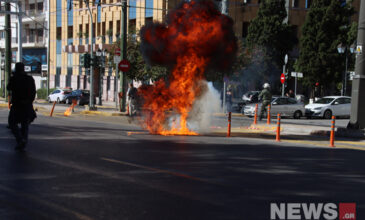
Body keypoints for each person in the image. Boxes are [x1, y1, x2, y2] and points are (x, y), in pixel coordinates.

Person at [7, 62, 36, 151]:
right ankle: (23, 141)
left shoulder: (14, 78)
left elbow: (9, 87)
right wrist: (29, 101)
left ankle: (20, 139)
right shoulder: (29, 78)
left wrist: (12, 77)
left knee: (12, 123)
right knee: (25, 124)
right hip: (26, 105)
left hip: (17, 104)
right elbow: (33, 92)